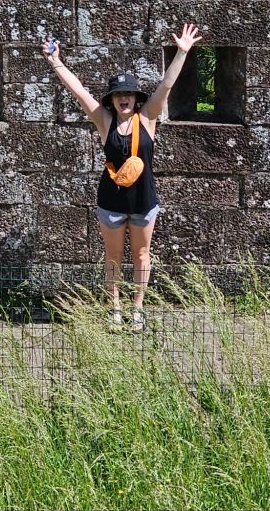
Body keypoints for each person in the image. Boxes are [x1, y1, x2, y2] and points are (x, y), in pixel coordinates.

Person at [42, 24, 202, 331]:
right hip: (111, 203)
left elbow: (166, 86)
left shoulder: (148, 118)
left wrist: (182, 52)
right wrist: (56, 62)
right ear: (112, 100)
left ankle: (138, 307)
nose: (123, 98)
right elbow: (79, 92)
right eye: (118, 94)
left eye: (128, 93)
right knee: (113, 257)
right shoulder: (105, 121)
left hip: (143, 201)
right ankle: (114, 307)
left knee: (142, 255)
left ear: (135, 98)